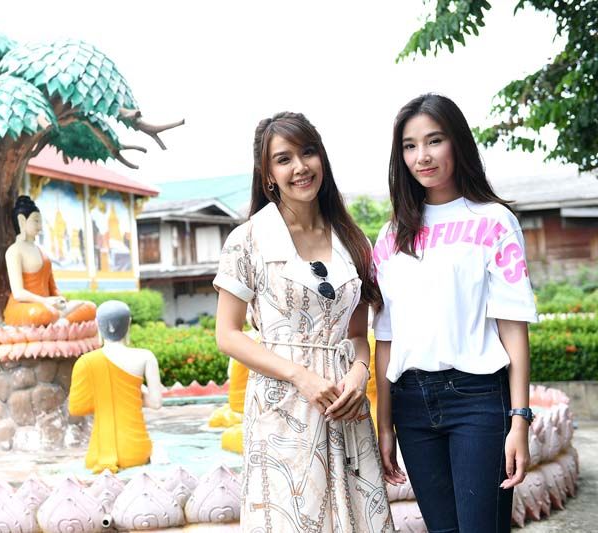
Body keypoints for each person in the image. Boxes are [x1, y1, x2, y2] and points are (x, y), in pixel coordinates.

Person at [214, 112, 394, 532]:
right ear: (268, 175)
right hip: (284, 409)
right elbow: (227, 334)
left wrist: (359, 372)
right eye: (284, 159)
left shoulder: (353, 239)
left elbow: (358, 334)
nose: (300, 167)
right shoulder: (248, 240)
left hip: (345, 406)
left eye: (308, 152)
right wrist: (300, 375)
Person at [373, 93, 538, 532]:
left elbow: (513, 329)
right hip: (411, 405)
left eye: (434, 140)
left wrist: (519, 419)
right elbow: (385, 338)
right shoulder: (391, 236)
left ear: (457, 143)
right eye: (409, 146)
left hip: (477, 400)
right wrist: (385, 425)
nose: (422, 156)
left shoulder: (494, 221)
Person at [69, 300, 164, 473]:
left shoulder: (86, 362)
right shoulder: (145, 357)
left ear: (98, 325)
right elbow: (156, 403)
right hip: (136, 451)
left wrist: (104, 392)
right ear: (129, 324)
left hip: (99, 454)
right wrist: (135, 388)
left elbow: (77, 408)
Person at [3, 195, 92, 326]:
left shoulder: (41, 251)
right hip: (26, 306)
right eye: (36, 221)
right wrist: (45, 301)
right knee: (42, 313)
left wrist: (60, 300)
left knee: (89, 307)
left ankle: (61, 321)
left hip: (49, 305)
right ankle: (60, 320)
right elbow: (18, 293)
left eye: (40, 222)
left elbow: (53, 287)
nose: (40, 227)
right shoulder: (14, 251)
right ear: (22, 221)